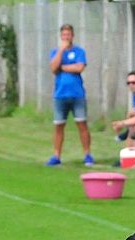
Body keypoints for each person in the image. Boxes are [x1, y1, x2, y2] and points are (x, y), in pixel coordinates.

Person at [46, 24, 94, 167]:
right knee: (59, 126)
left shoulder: (79, 51)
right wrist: (61, 51)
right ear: (61, 36)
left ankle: (87, 154)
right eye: (64, 35)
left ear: (72, 36)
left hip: (77, 94)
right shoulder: (56, 52)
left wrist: (64, 67)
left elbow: (79, 67)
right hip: (60, 95)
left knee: (82, 124)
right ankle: (56, 155)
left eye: (69, 34)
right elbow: (53, 68)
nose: (66, 37)